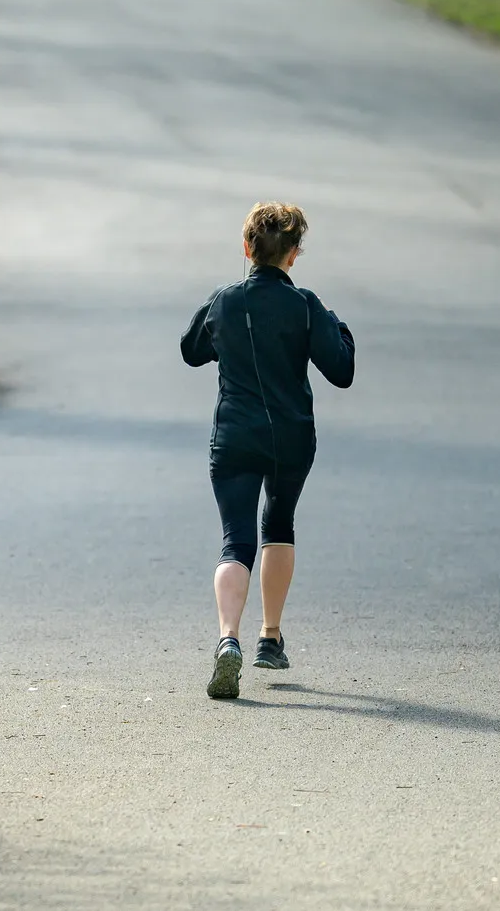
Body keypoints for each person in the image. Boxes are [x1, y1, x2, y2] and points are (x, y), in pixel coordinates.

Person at [179, 202, 355, 700]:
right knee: (278, 524)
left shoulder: (225, 302)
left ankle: (227, 640)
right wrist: (337, 326)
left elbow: (192, 351)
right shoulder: (305, 306)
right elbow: (341, 370)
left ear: (246, 247)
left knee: (236, 540)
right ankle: (269, 638)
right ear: (294, 254)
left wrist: (229, 334)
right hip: (290, 438)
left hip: (234, 436)